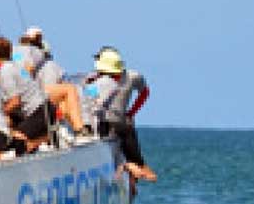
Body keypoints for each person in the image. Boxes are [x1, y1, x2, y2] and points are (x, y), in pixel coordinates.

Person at [85, 47, 155, 182]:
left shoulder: (133, 77)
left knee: (126, 127)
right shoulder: (94, 80)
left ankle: (137, 169)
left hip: (121, 119)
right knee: (119, 129)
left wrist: (132, 111)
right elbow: (90, 102)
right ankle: (134, 166)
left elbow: (144, 92)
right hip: (102, 120)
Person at [17, 27, 87, 138]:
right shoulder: (47, 64)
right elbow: (28, 70)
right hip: (34, 99)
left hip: (27, 97)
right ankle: (79, 130)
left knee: (64, 100)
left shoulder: (17, 52)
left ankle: (74, 131)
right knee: (69, 90)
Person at [0, 35, 50, 154]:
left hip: (39, 112)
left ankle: (39, 143)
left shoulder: (5, 70)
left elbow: (15, 101)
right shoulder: (16, 65)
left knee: (14, 140)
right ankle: (40, 142)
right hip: (45, 107)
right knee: (10, 124)